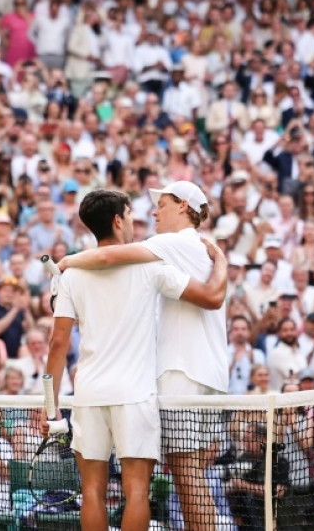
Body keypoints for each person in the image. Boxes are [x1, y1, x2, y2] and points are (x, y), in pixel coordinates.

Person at [46, 189, 227, 531]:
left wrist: (49, 406)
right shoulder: (151, 267)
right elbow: (210, 298)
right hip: (135, 396)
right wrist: (222, 261)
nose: (137, 222)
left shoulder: (69, 276)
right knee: (137, 492)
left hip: (89, 394)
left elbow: (58, 345)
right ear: (118, 220)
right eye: (130, 215)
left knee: (93, 491)